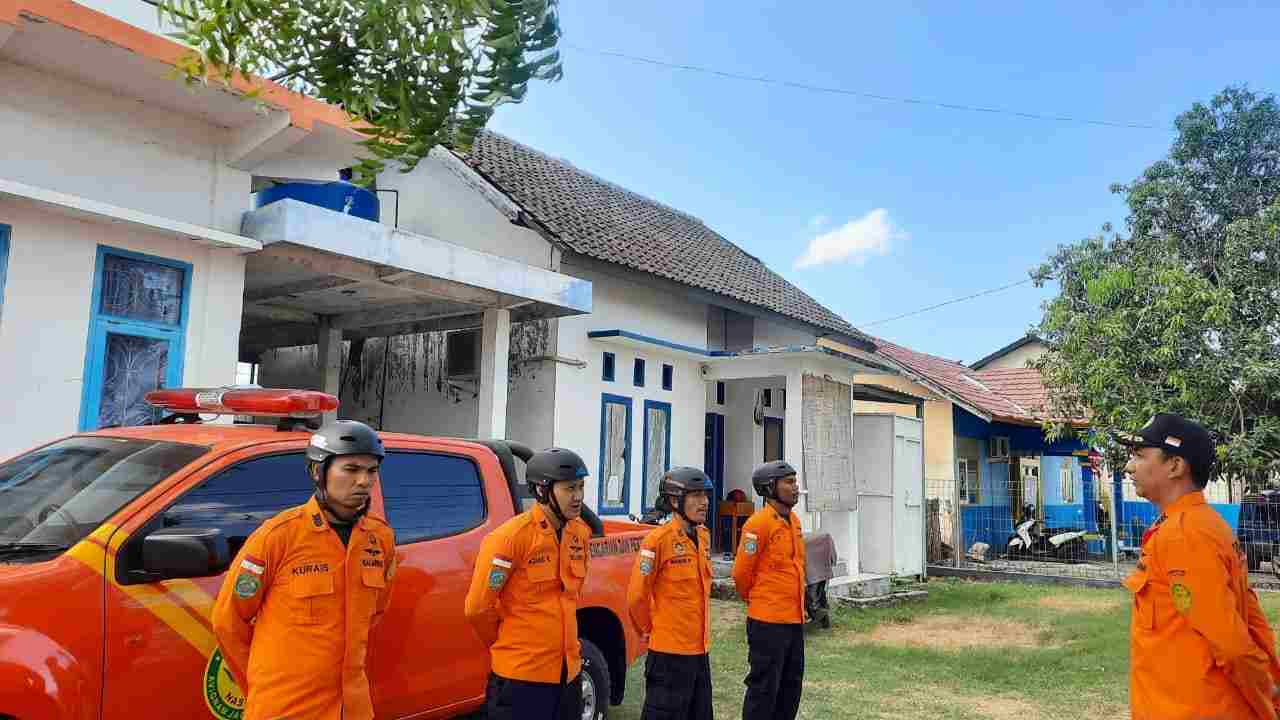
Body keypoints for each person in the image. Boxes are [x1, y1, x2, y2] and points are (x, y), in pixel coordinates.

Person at [211, 420, 396, 720]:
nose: (364, 481)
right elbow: (228, 621)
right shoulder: (278, 536)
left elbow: (375, 612)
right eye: (351, 469)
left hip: (352, 709)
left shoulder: (380, 538)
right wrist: (260, 688)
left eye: (371, 471)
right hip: (286, 708)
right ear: (317, 472)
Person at [1119, 413, 1280, 720]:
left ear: (1176, 466)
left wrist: (1266, 705)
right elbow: (1251, 618)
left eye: (1140, 456)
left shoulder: (1185, 534)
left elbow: (1232, 643)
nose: (1129, 467)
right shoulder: (1199, 525)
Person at [464, 447, 592, 720]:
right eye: (570, 488)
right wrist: (511, 643)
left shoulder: (580, 534)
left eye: (581, 487)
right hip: (520, 680)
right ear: (542, 490)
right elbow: (477, 608)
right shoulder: (510, 538)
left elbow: (571, 597)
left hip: (568, 676)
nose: (579, 496)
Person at [627, 466, 715, 720]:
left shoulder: (704, 537)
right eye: (696, 496)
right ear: (675, 500)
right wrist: (653, 630)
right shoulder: (657, 542)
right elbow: (636, 596)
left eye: (705, 496)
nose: (705, 502)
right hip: (669, 655)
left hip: (700, 652)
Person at [731, 460, 807, 720]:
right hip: (767, 622)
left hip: (794, 620)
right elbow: (741, 574)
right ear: (769, 487)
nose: (795, 487)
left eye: (795, 481)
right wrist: (760, 601)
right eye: (789, 482)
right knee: (764, 689)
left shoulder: (794, 521)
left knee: (790, 688)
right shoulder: (757, 524)